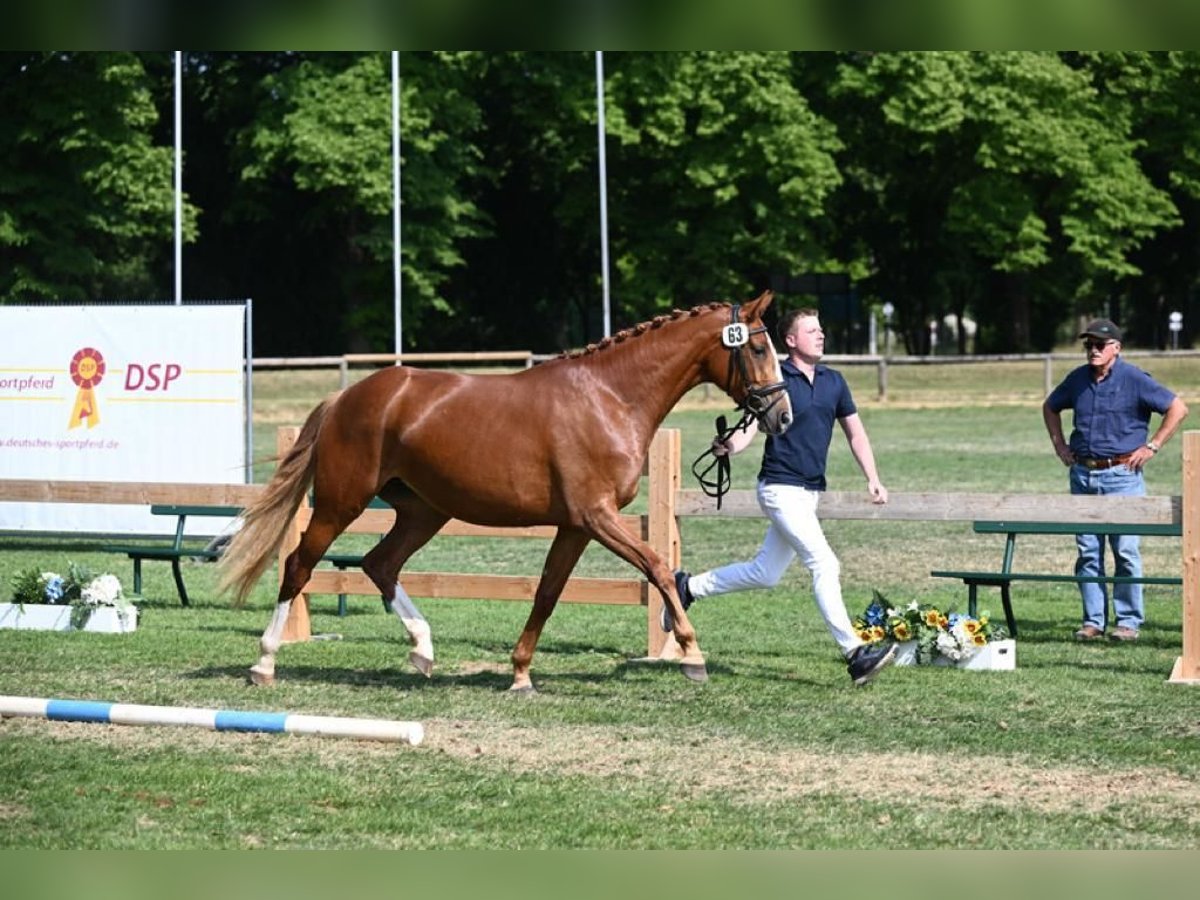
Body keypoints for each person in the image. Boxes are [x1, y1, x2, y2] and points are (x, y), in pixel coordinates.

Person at [662, 307, 895, 686]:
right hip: (779, 488)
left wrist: (873, 477)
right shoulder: (775, 376)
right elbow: (749, 427)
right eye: (811, 330)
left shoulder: (834, 382)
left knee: (765, 574)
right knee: (824, 563)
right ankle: (854, 653)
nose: (821, 335)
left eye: (821, 329)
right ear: (791, 340)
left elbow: (856, 433)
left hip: (810, 493)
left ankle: (687, 586)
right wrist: (729, 448)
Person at [1042, 318, 1189, 642]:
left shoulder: (1134, 378)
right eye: (1088, 345)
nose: (1093, 350)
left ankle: (1128, 623)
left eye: (1100, 345)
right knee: (1088, 552)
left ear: (1116, 348)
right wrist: (1060, 445)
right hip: (1082, 474)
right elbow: (1050, 407)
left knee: (1125, 551)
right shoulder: (1077, 379)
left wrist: (1152, 445)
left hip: (1122, 475)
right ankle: (1092, 622)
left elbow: (1178, 408)